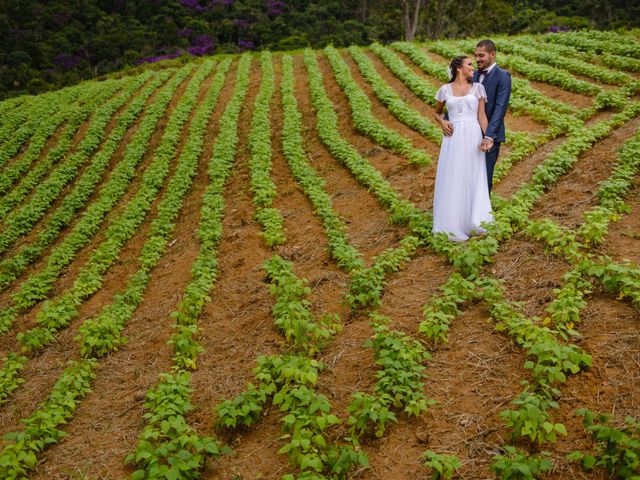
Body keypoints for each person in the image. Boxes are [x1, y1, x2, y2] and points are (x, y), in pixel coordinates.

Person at [432, 55, 493, 242]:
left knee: (472, 176)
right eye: (469, 64)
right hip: (453, 138)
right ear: (459, 69)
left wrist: (488, 137)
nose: (473, 67)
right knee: (453, 176)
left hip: (473, 135)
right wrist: (442, 122)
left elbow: (481, 116)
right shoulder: (444, 90)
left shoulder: (478, 88)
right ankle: (452, 224)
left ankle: (475, 221)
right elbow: (436, 113)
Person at [474, 39, 512, 192]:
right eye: (475, 56)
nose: (477, 59)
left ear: (492, 54)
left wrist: (489, 135)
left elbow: (500, 108)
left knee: (485, 176)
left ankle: (484, 213)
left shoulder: (503, 76)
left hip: (491, 135)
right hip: (469, 133)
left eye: (481, 55)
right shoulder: (473, 75)